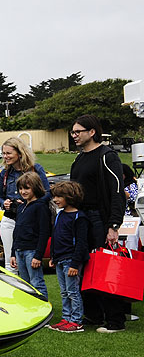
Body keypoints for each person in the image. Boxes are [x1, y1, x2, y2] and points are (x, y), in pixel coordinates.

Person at [68, 114, 127, 333]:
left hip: (99, 219)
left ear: (92, 132)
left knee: (105, 268)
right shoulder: (78, 159)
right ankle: (93, 315)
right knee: (84, 266)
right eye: (73, 132)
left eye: (78, 131)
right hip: (81, 219)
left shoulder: (107, 156)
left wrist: (113, 225)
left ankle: (115, 321)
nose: (74, 135)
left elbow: (117, 192)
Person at [0, 137, 51, 274]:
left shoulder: (35, 169)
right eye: (3, 153)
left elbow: (48, 193)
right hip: (10, 218)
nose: (5, 157)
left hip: (30, 220)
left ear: (20, 153)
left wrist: (30, 204)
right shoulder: (4, 174)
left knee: (29, 261)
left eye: (9, 153)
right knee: (10, 263)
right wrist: (4, 203)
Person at [48, 181, 91, 333]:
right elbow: (55, 237)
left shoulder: (80, 217)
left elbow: (81, 243)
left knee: (73, 291)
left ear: (70, 197)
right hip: (59, 259)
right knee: (64, 291)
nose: (55, 200)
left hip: (71, 260)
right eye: (54, 196)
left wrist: (74, 264)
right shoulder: (60, 215)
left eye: (59, 196)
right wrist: (53, 257)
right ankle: (66, 318)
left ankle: (76, 321)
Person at [8, 172, 50, 300]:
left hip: (32, 251)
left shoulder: (41, 207)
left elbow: (44, 232)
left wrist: (38, 255)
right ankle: (29, 308)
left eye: (27, 188)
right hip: (19, 250)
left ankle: (43, 308)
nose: (23, 191)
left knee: (36, 282)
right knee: (25, 284)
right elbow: (16, 231)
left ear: (35, 187)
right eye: (20, 188)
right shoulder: (21, 207)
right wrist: (13, 253)